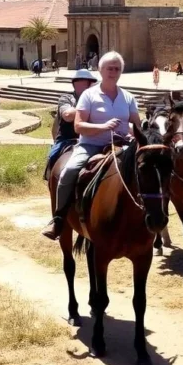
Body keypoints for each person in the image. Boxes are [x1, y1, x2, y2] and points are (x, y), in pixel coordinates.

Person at [42, 51, 144, 240]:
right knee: (69, 171)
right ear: (100, 70)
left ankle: (149, 215)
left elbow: (137, 127)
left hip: (122, 145)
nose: (113, 72)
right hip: (91, 145)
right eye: (109, 68)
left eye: (117, 68)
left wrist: (131, 129)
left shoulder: (128, 97)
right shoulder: (89, 95)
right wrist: (103, 127)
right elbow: (78, 125)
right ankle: (58, 219)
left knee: (150, 169)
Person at [44, 69, 98, 180]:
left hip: (91, 139)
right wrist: (87, 106)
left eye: (90, 82)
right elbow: (67, 115)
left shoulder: (96, 100)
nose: (90, 85)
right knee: (53, 156)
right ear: (75, 84)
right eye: (86, 82)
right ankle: (51, 180)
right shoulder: (66, 98)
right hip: (67, 139)